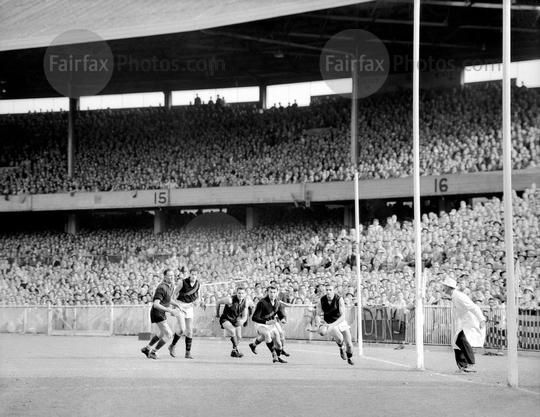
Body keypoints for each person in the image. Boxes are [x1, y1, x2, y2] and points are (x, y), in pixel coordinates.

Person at [441, 276, 486, 373]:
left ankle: (470, 363)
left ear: (449, 287)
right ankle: (463, 366)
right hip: (464, 323)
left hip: (470, 322)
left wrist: (482, 319)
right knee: (457, 342)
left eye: (444, 286)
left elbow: (474, 307)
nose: (443, 288)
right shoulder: (454, 296)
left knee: (462, 340)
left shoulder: (459, 296)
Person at [315, 283, 354, 365]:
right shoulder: (321, 300)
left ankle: (349, 357)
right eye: (327, 290)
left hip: (340, 321)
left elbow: (343, 317)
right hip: (329, 322)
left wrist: (333, 325)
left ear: (334, 291)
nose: (328, 292)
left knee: (349, 345)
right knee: (340, 339)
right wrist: (318, 325)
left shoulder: (339, 299)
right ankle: (341, 347)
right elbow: (318, 314)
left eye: (330, 290)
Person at [141, 269, 176, 359]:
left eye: (172, 275)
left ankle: (147, 348)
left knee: (161, 334)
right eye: (169, 275)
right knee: (169, 335)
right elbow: (156, 304)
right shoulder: (161, 287)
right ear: (164, 276)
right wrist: (170, 310)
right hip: (157, 313)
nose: (171, 277)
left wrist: (177, 305)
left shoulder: (171, 285)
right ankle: (153, 352)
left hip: (161, 312)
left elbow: (168, 299)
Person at [249, 286, 288, 363]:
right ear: (267, 292)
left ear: (277, 293)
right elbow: (254, 318)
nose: (272, 294)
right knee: (266, 334)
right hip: (261, 324)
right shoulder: (262, 302)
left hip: (271, 325)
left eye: (274, 292)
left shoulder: (277, 302)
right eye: (270, 292)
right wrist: (266, 322)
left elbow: (280, 314)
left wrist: (283, 319)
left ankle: (277, 356)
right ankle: (273, 354)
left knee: (279, 345)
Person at [169, 267, 201, 359]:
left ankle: (187, 353)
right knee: (182, 330)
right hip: (180, 305)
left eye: (195, 274)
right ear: (189, 274)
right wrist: (173, 307)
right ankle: (172, 345)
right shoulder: (182, 282)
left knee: (190, 331)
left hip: (189, 306)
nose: (194, 276)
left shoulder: (198, 284)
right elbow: (174, 294)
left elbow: (199, 297)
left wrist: (197, 302)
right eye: (192, 274)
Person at [215, 287, 249, 358]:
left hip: (235, 320)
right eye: (239, 293)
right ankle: (237, 351)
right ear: (236, 293)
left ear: (245, 294)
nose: (240, 295)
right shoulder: (230, 300)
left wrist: (242, 321)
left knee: (239, 337)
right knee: (232, 331)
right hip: (225, 319)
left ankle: (234, 351)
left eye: (242, 293)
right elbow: (218, 302)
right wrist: (217, 314)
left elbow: (245, 316)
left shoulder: (246, 302)